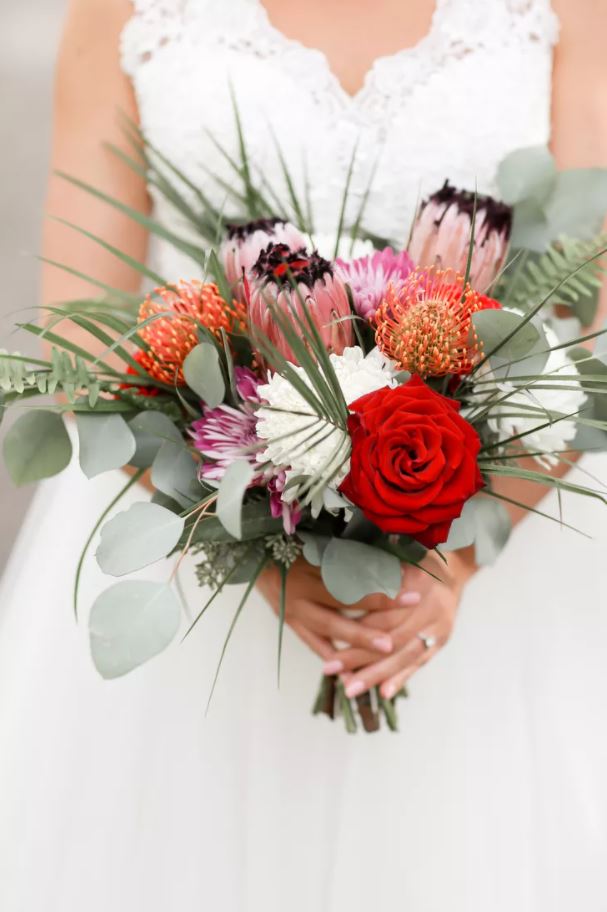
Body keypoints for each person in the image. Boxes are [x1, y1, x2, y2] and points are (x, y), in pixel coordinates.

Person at [1, 1, 606, 909]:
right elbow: (77, 340)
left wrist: (457, 557)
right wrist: (261, 553)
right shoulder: (123, 11)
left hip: (500, 543)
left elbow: (587, 320)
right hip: (195, 533)